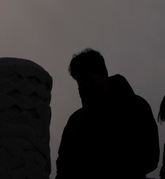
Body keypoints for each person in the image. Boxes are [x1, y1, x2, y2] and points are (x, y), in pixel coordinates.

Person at [56, 49, 159, 179]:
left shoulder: (136, 107)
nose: (88, 88)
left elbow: (150, 157)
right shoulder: (75, 121)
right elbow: (64, 165)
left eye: (93, 82)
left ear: (105, 75)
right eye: (82, 84)